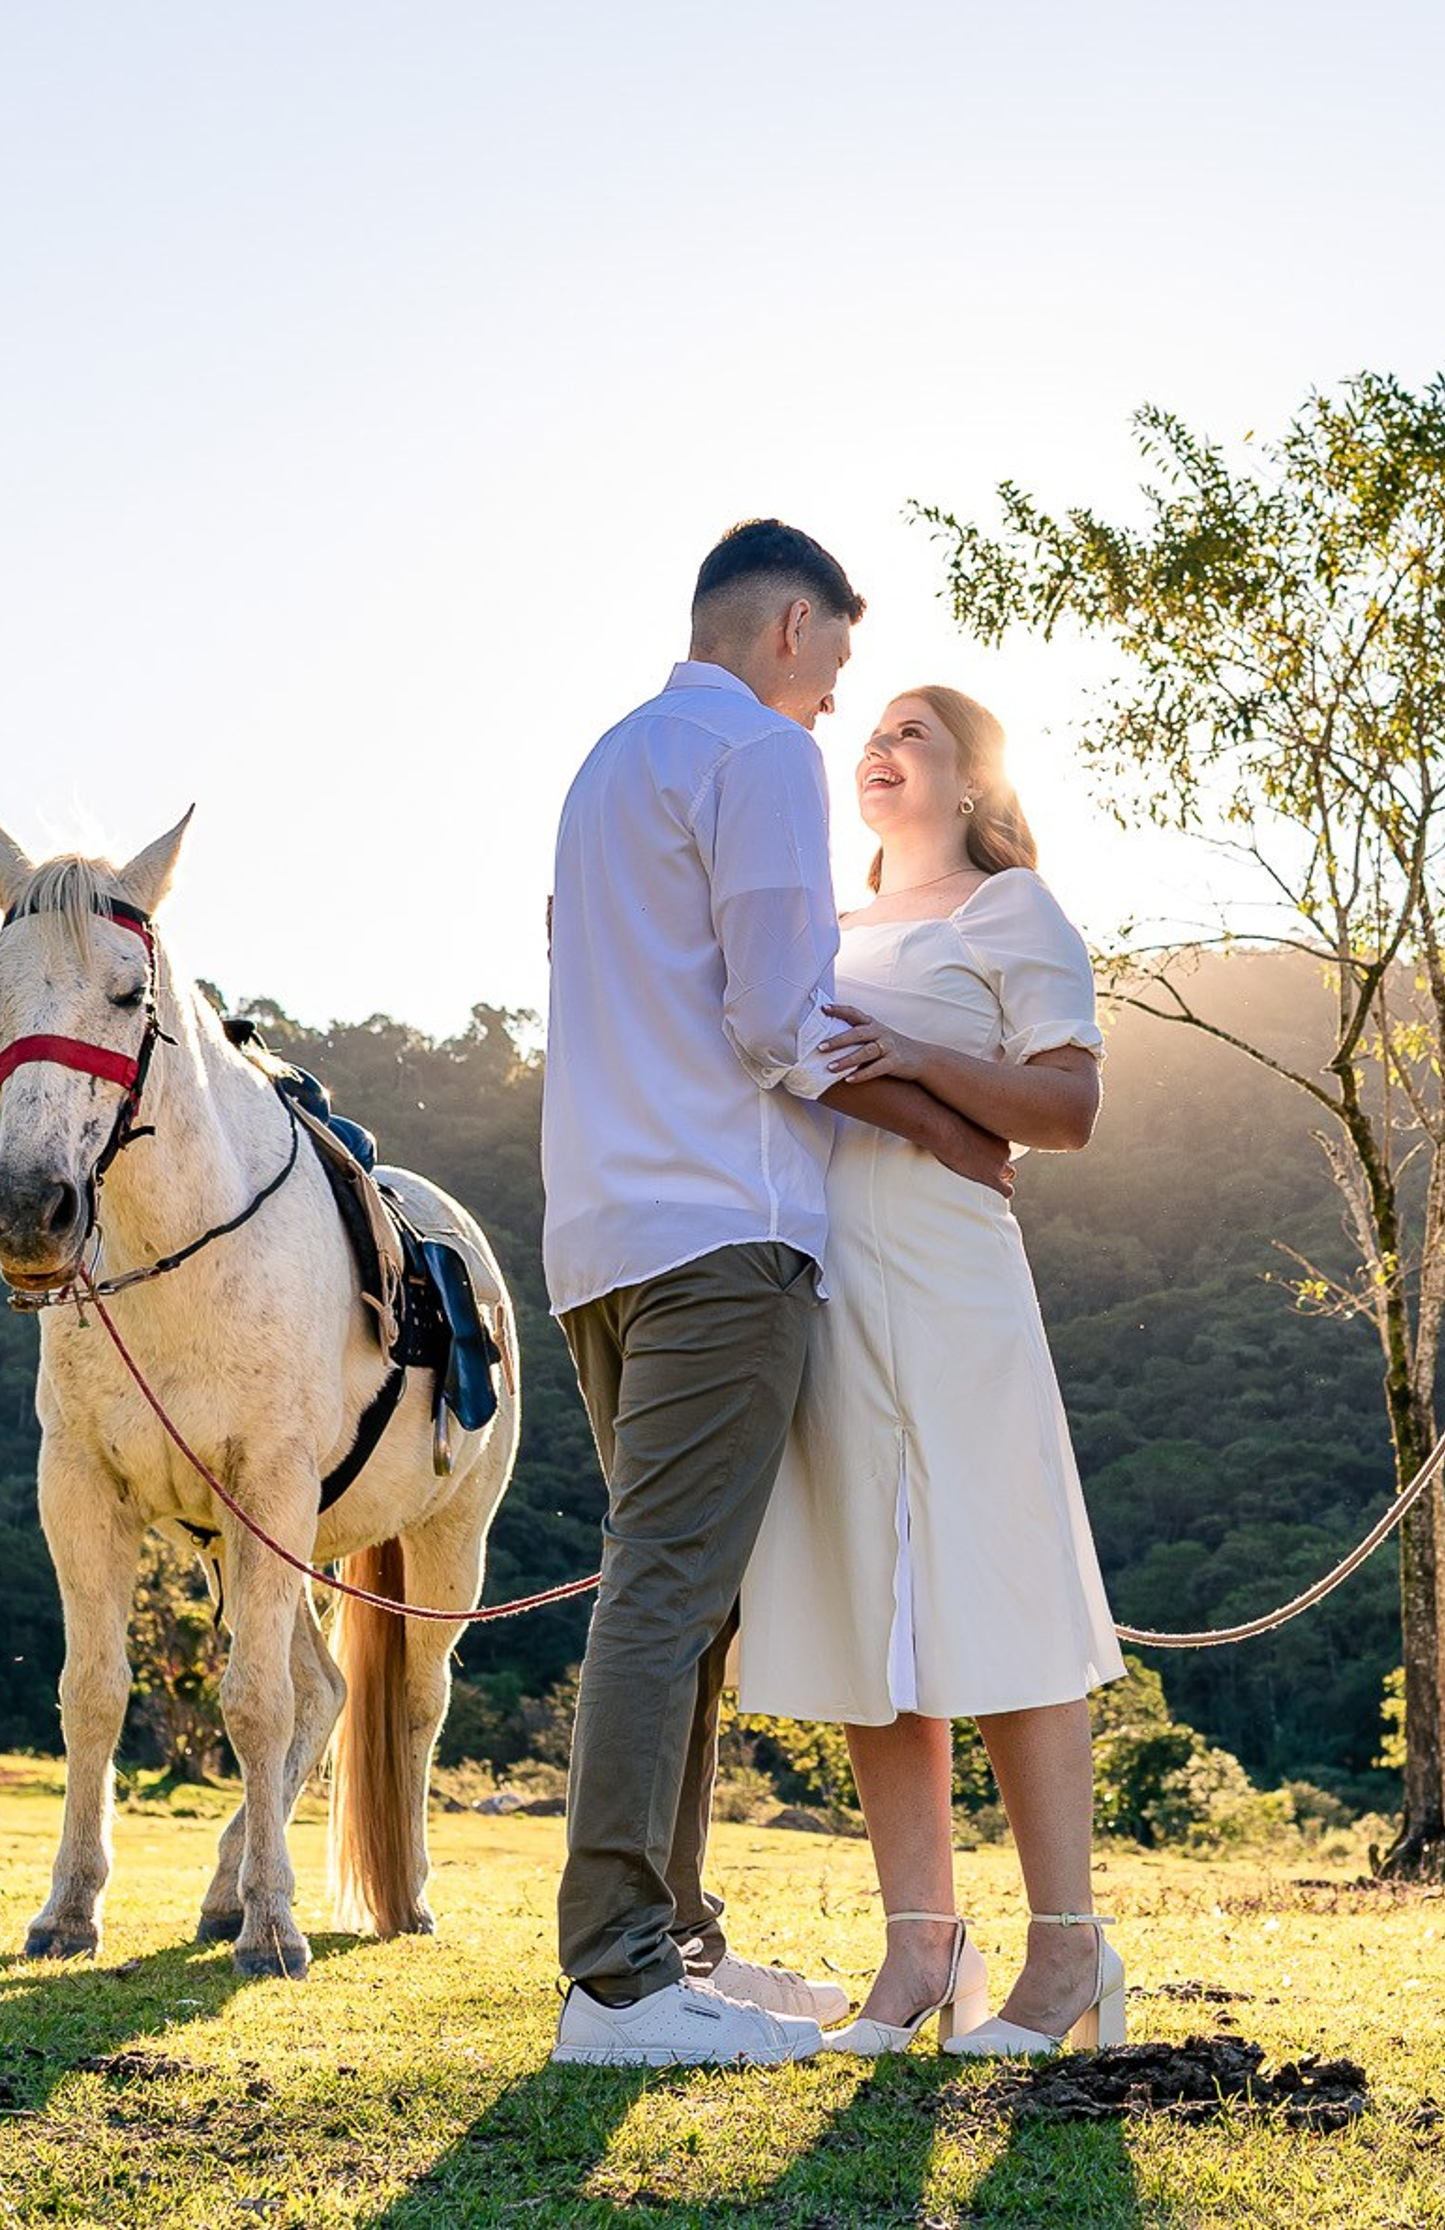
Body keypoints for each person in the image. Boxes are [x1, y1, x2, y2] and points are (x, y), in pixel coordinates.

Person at [539, 523, 1013, 2070]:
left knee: (691, 1596)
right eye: (842, 664)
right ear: (794, 626)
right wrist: (946, 1125)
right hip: (718, 1227)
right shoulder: (755, 751)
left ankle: (673, 1945)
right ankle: (616, 1979)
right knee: (668, 1588)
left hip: (598, 1237)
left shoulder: (607, 767)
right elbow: (771, 1015)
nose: (838, 703)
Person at [738, 685, 1127, 2058]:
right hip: (831, 1277)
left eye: (914, 731)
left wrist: (919, 1059)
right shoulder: (818, 930)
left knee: (999, 1586)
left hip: (955, 1277)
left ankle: (1068, 1951)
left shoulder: (1010, 913)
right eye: (874, 731)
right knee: (874, 1609)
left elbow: (1069, 1109)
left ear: (971, 782)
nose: (880, 746)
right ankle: (919, 1951)